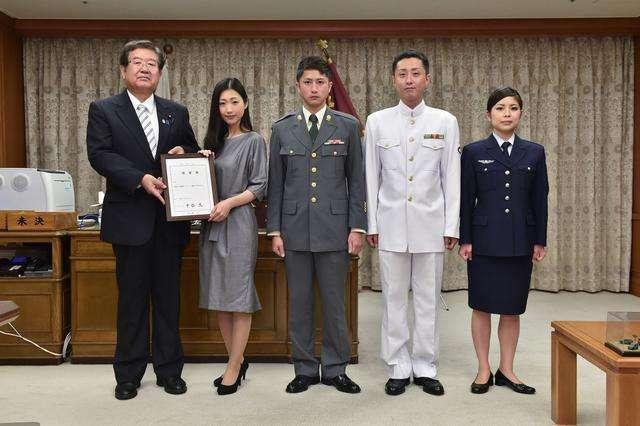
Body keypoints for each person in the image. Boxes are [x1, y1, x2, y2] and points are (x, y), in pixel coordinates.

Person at [86, 40, 199, 400]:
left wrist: (185, 153)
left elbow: (191, 150)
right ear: (123, 70)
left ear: (160, 73)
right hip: (129, 219)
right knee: (132, 301)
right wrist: (140, 178)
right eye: (137, 62)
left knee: (168, 299)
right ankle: (129, 374)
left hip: (169, 221)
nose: (145, 68)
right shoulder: (104, 109)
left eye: (152, 63)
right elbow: (100, 154)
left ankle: (169, 370)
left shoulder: (176, 111)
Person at [267, 56, 366, 394]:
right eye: (307, 82)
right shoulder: (282, 128)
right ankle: (305, 368)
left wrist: (357, 227)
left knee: (335, 303)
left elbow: (358, 180)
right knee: (300, 303)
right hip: (294, 231)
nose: (314, 88)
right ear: (298, 86)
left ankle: (337, 368)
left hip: (335, 229)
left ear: (329, 87)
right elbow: (276, 184)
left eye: (320, 82)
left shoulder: (348, 125)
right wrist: (275, 230)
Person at [364, 49, 460, 396]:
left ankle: (425, 364)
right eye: (402, 73)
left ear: (427, 79)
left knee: (427, 297)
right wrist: (371, 222)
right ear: (393, 80)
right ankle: (399, 364)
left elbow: (451, 175)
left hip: (431, 225)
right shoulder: (377, 121)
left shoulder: (444, 121)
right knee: (392, 297)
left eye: (416, 73)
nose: (409, 79)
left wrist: (451, 226)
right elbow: (370, 177)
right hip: (390, 224)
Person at [458, 87, 548, 395]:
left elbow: (540, 199)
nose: (506, 113)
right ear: (488, 115)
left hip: (520, 240)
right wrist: (465, 238)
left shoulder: (534, 151)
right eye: (500, 108)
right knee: (482, 306)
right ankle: (483, 369)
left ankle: (507, 369)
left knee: (512, 308)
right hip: (483, 241)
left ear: (521, 113)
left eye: (512, 108)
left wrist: (540, 239)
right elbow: (465, 198)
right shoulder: (473, 152)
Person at [197, 77, 267, 395]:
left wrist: (228, 203)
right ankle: (235, 358)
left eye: (234, 102)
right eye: (222, 103)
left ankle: (234, 366)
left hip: (238, 224)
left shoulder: (254, 141)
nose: (228, 109)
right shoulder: (212, 143)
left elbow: (259, 186)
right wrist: (197, 166)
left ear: (246, 104)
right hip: (212, 226)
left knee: (238, 299)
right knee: (220, 300)